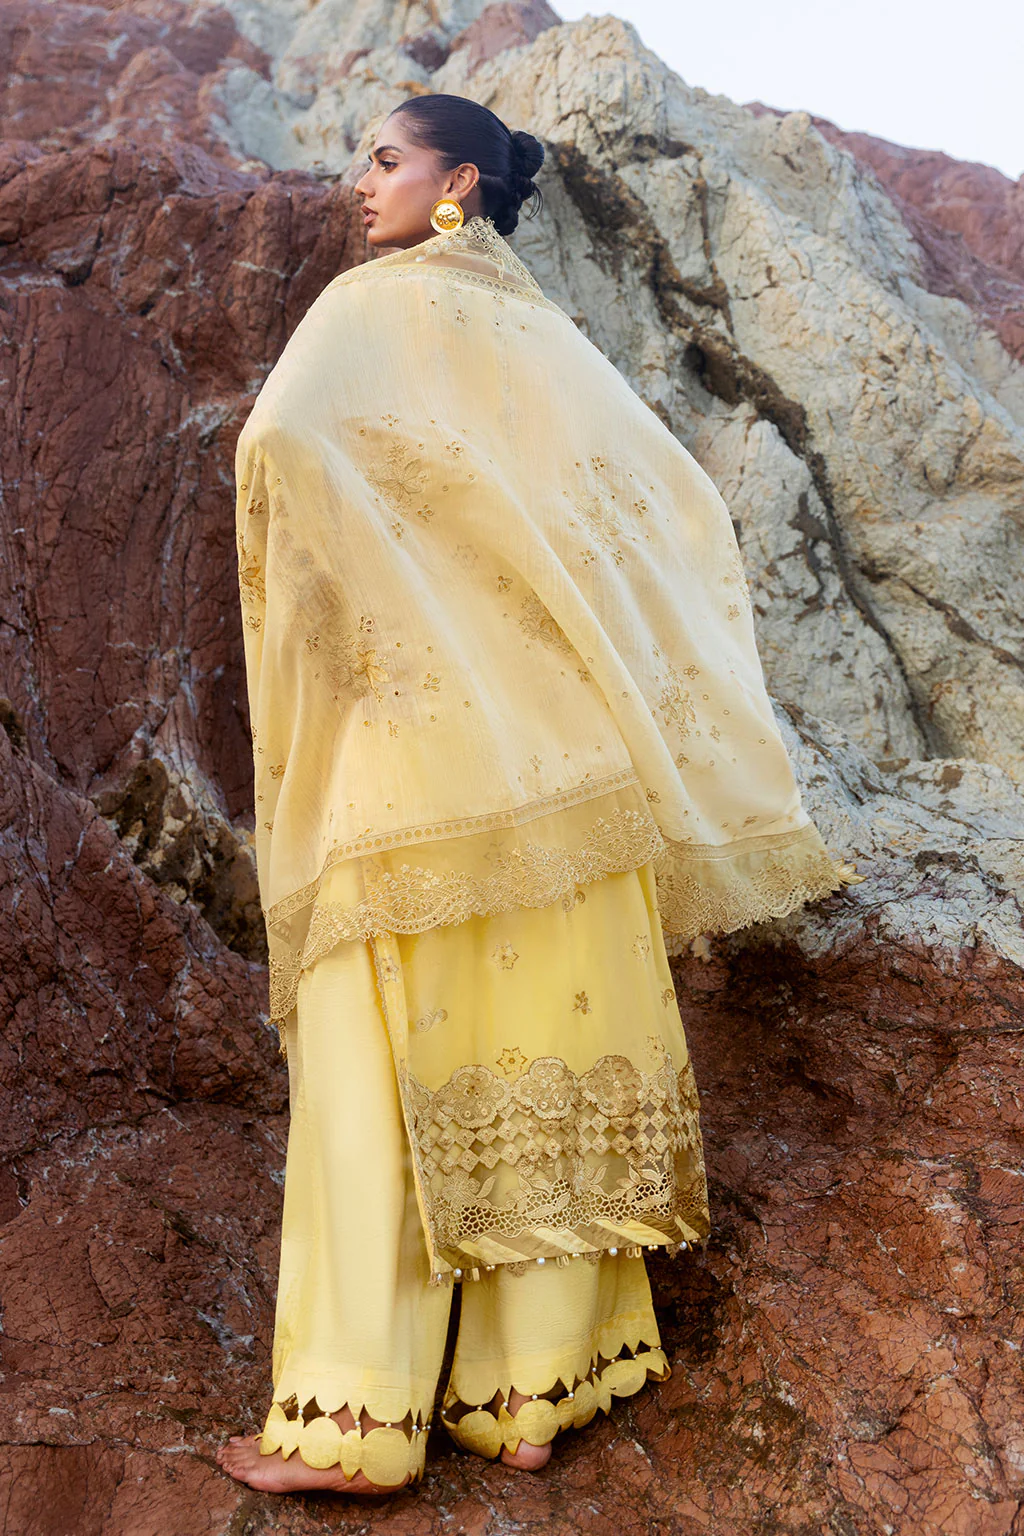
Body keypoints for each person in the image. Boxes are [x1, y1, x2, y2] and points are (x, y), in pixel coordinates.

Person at [217, 92, 841, 1498]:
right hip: (569, 774)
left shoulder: (368, 310)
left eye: (385, 160)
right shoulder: (544, 338)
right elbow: (671, 507)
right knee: (543, 1074)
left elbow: (279, 446)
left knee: (375, 1088)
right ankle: (531, 1401)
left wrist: (367, 608)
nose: (359, 182)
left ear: (456, 185)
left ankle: (351, 1427)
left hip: (417, 770)